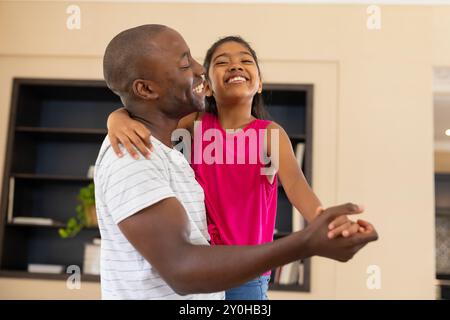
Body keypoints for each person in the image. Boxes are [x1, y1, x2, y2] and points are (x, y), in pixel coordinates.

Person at [95, 24, 378, 300]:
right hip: (205, 262)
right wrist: (116, 118)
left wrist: (326, 222)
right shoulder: (191, 124)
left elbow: (295, 185)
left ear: (260, 82)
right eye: (221, 62)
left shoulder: (269, 133)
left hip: (247, 270)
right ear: (205, 87)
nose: (235, 66)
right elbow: (144, 111)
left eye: (245, 60)